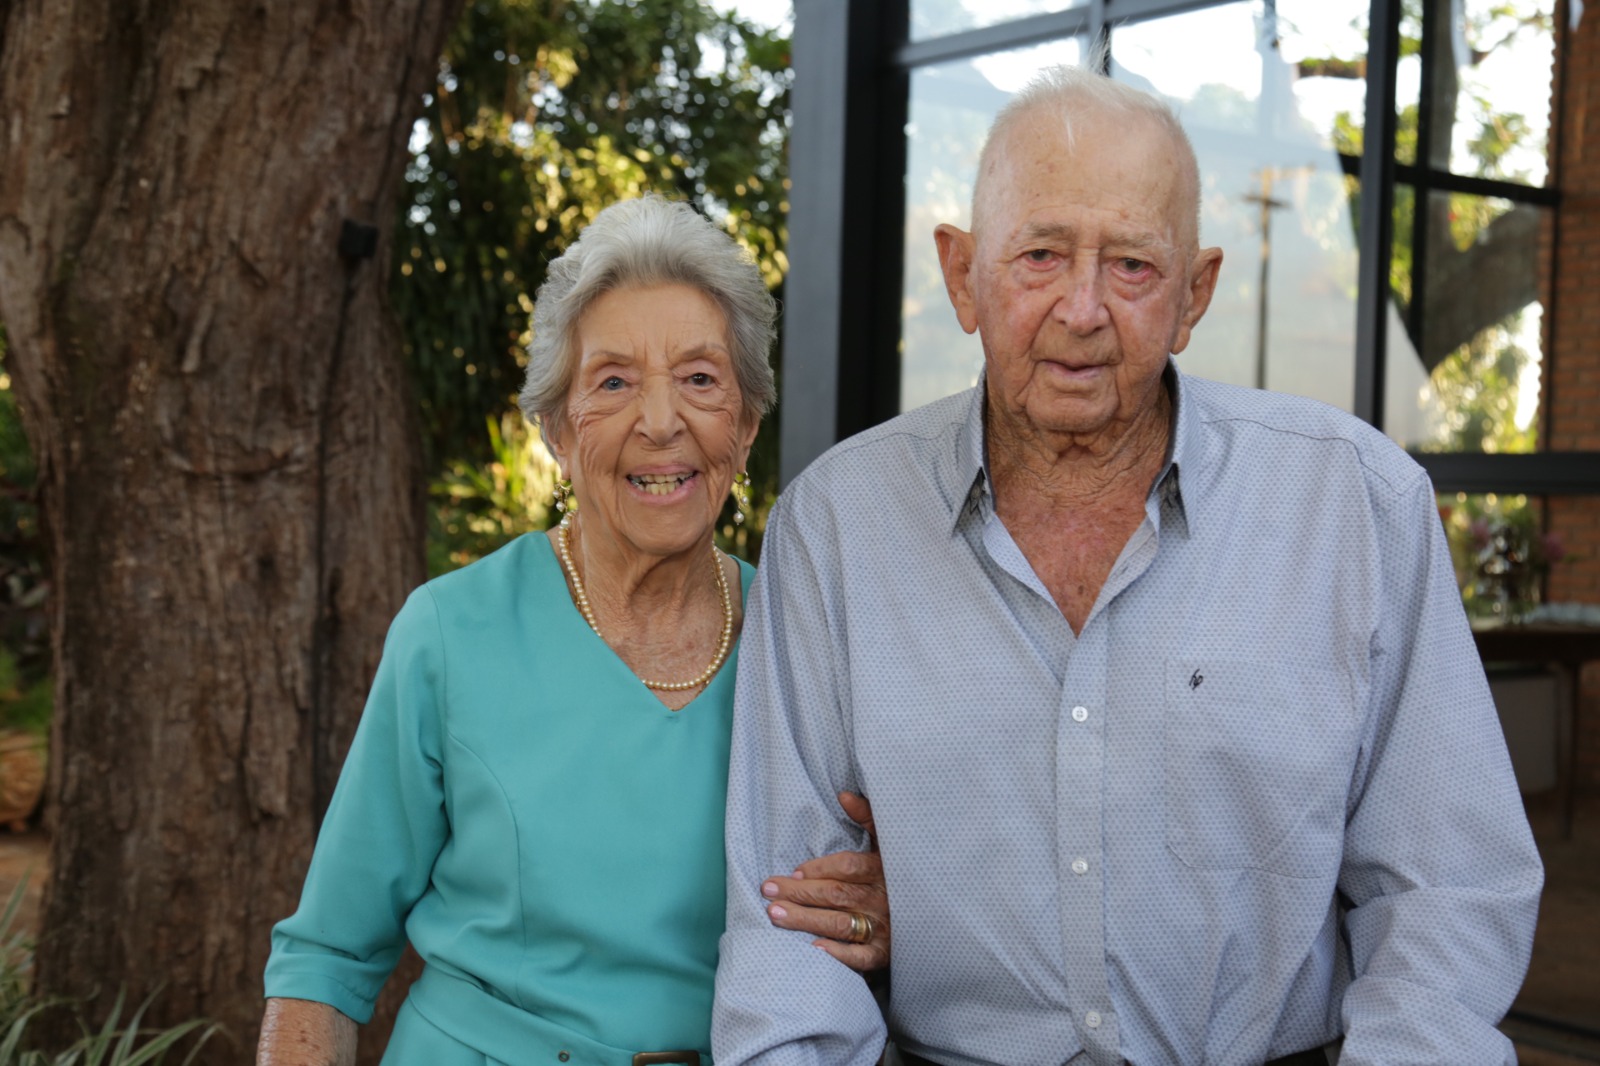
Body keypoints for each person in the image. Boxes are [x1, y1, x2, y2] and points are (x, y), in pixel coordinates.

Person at [712, 64, 1543, 1066]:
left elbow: (1445, 889)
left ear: (1195, 294)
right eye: (1040, 254)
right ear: (961, 273)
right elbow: (791, 928)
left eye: (1133, 267)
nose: (1081, 308)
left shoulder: (1356, 508)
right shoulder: (835, 529)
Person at [258, 195, 889, 1066]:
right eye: (614, 381)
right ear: (558, 428)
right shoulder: (450, 634)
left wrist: (887, 919)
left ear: (744, 430)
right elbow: (326, 957)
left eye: (701, 380)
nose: (660, 421)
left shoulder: (807, 644)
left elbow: (909, 902)